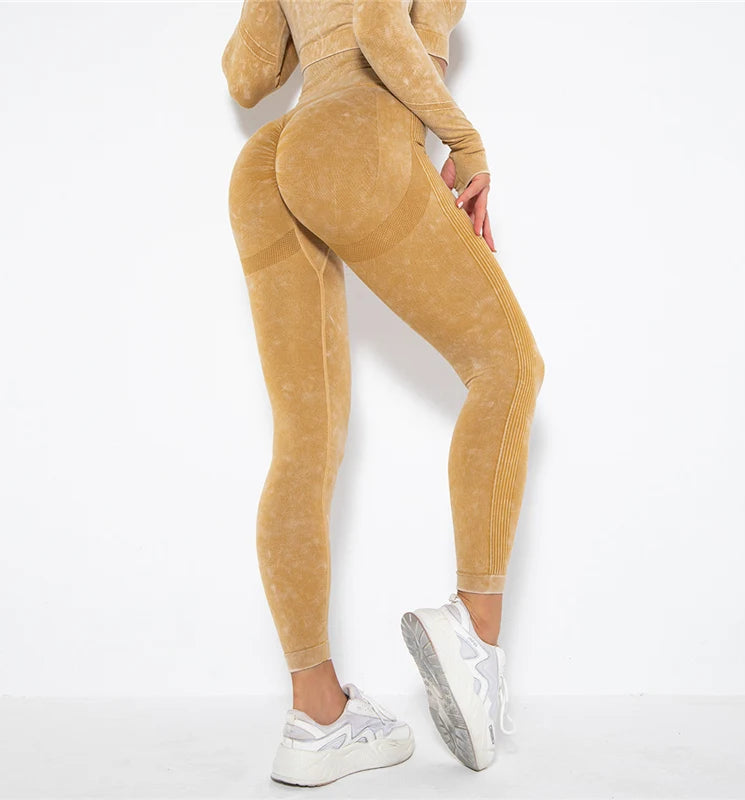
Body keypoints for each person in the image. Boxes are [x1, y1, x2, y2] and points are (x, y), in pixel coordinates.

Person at [222, 0, 544, 786]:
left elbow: (246, 77)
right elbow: (376, 24)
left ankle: (318, 717)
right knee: (507, 365)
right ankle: (473, 636)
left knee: (305, 440)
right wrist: (464, 141)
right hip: (358, 138)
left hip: (270, 162)